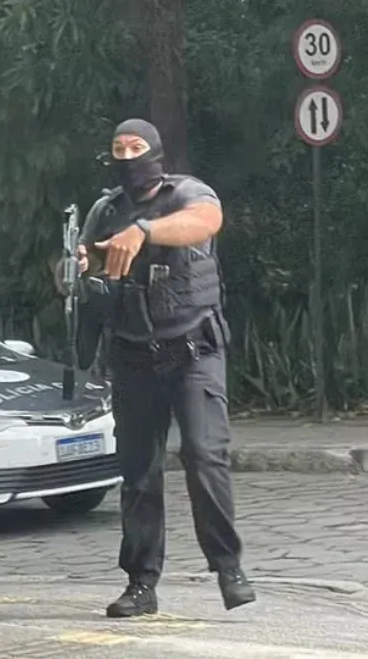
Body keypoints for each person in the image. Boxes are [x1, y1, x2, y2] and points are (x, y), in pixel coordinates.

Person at [58, 118, 255, 618]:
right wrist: (75, 267)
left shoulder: (186, 193)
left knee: (204, 456)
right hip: (133, 356)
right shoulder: (105, 211)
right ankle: (140, 584)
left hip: (193, 351)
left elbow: (206, 221)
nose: (127, 157)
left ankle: (228, 567)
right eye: (118, 148)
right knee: (139, 474)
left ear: (156, 152)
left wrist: (143, 231)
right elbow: (82, 268)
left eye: (136, 147)